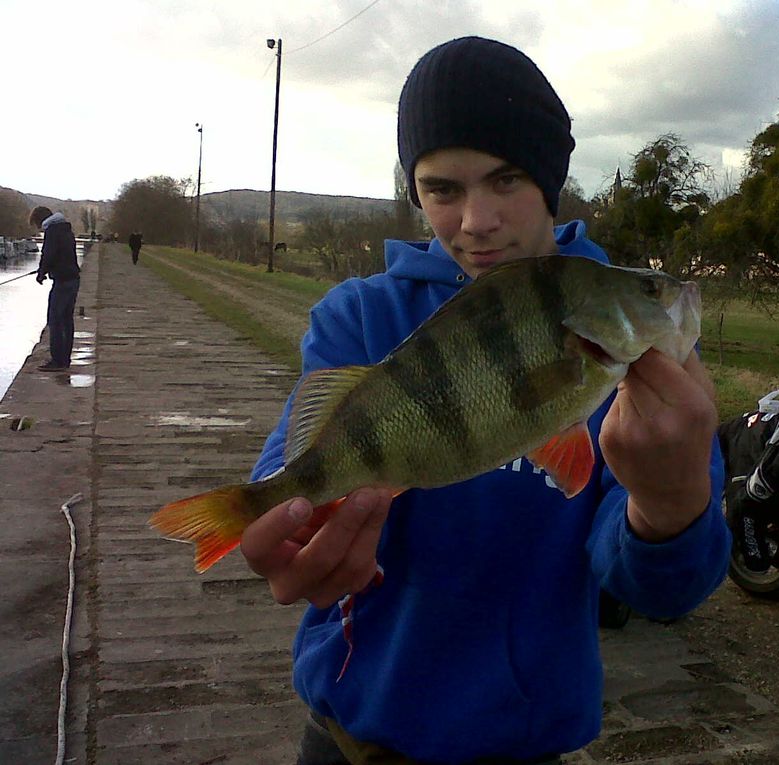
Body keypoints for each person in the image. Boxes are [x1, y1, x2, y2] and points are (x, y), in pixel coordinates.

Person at [240, 36, 731, 765]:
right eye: (443, 189)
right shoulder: (356, 319)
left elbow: (661, 591)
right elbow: (297, 464)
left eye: (506, 180)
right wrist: (282, 527)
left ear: (549, 178)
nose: (477, 220)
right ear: (417, 193)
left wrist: (671, 503)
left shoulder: (636, 357)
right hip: (350, 736)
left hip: (521, 745)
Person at [30, 206, 80, 372]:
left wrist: (41, 273)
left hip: (63, 281)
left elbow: (48, 254)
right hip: (73, 279)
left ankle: (57, 361)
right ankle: (64, 359)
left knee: (55, 320)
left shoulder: (52, 231)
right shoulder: (65, 229)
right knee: (66, 320)